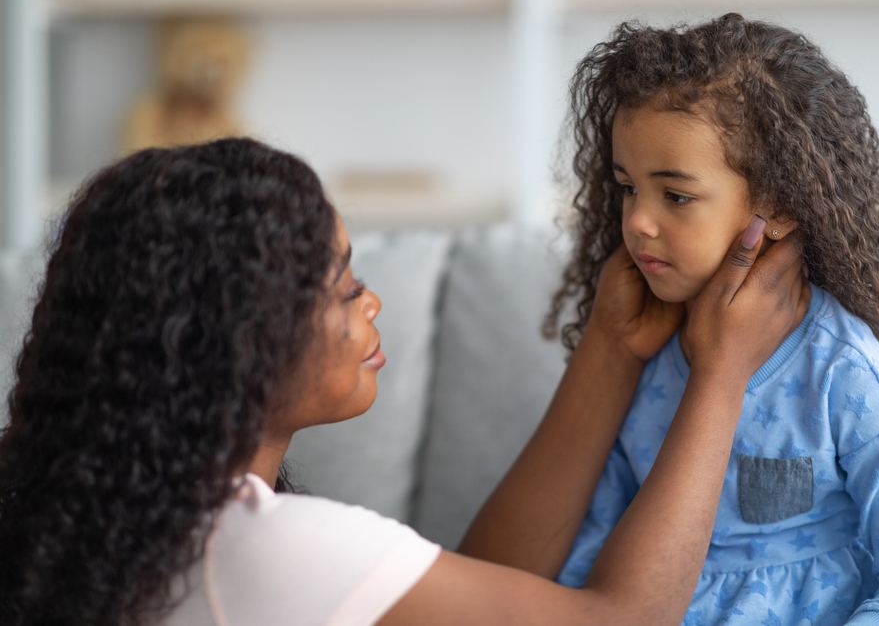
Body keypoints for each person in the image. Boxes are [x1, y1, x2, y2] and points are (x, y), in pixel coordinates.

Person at [0, 137, 804, 626]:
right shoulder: (261, 545)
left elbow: (470, 598)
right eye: (343, 283)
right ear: (242, 335)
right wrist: (722, 371)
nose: (371, 299)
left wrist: (610, 347)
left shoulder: (127, 522)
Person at [547, 14, 879, 625]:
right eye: (628, 188)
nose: (635, 220)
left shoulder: (848, 375)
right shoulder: (643, 358)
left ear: (778, 204)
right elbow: (595, 538)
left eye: (676, 195)